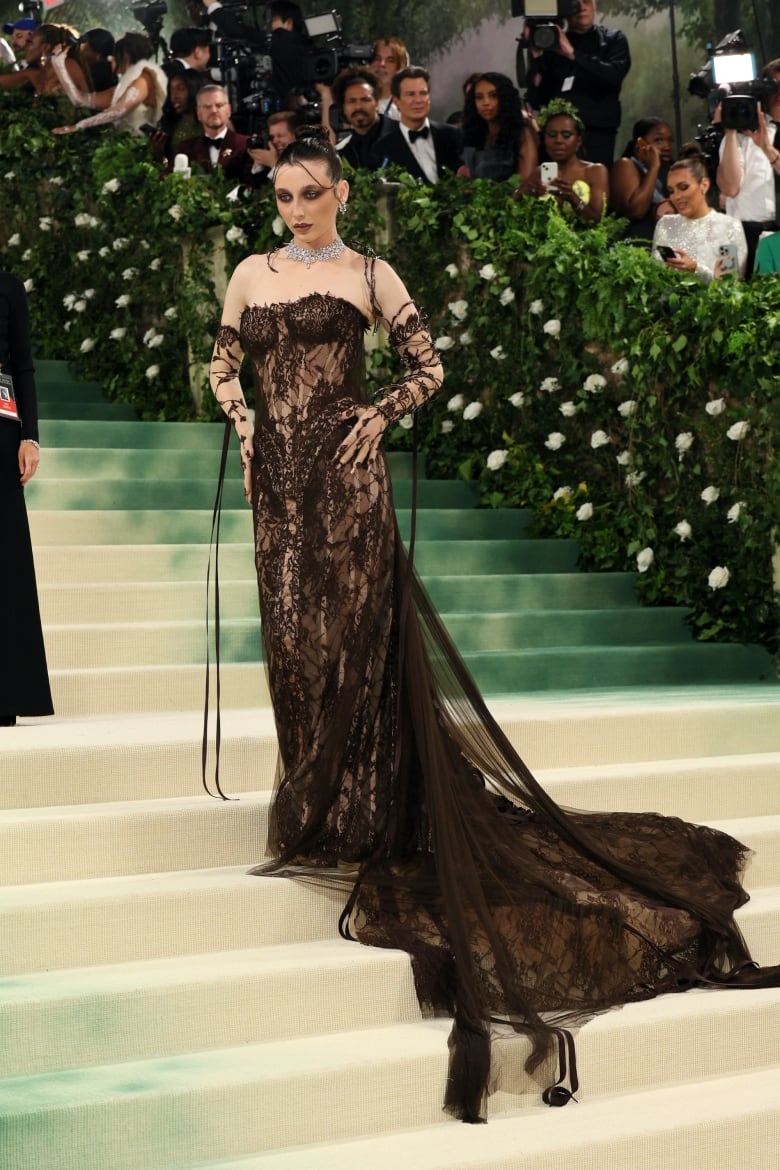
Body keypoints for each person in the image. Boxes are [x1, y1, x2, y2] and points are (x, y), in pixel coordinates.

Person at [207, 124, 780, 1125]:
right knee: (292, 649)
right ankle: (316, 800)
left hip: (347, 488)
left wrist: (379, 414)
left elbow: (430, 368)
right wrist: (245, 423)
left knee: (354, 645)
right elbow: (222, 369)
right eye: (283, 194)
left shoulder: (370, 274)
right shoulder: (249, 276)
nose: (295, 209)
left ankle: (365, 813)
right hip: (277, 491)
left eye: (310, 193)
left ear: (339, 193)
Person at [0, 271, 54, 727]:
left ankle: (7, 693)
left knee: (5, 559)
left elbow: (23, 365)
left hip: (1, 435)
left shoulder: (8, 285)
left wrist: (31, 437)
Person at [524, 0, 630, 168]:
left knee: (594, 189)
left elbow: (613, 76)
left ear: (595, 4)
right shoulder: (551, 43)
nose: (581, 7)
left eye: (586, 1)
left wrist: (573, 54)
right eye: (574, 3)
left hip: (597, 133)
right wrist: (536, 57)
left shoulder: (613, 39)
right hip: (555, 138)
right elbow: (537, 99)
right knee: (551, 189)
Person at [716, 59, 780, 276]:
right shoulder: (742, 135)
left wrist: (767, 148)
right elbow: (730, 188)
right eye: (774, 86)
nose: (779, 92)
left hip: (777, 238)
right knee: (731, 299)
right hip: (739, 233)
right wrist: (730, 128)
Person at [51, 31, 167, 135]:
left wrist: (77, 126)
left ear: (125, 56)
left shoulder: (144, 79)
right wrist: (59, 64)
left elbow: (117, 112)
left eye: (114, 56)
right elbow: (80, 100)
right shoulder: (120, 88)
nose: (111, 60)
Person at [653, 156, 747, 281]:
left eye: (683, 187)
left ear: (704, 185)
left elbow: (730, 284)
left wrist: (696, 269)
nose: (676, 197)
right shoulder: (665, 224)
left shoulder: (729, 226)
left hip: (712, 300)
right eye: (671, 191)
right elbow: (654, 275)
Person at [515, 98, 608, 222]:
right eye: (552, 135)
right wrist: (522, 193)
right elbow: (514, 206)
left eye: (566, 135)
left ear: (578, 140)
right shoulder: (543, 171)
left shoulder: (595, 171)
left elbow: (598, 220)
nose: (558, 141)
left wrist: (574, 199)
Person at [369, 66, 462, 184]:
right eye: (410, 94)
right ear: (396, 101)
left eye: (423, 93)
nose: (418, 100)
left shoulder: (453, 136)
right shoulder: (382, 149)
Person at [459, 71, 538, 182]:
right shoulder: (474, 133)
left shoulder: (521, 132)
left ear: (505, 98)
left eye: (493, 96)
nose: (485, 102)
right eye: (479, 97)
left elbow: (526, 182)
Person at [611, 117, 675, 240]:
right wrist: (654, 167)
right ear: (640, 144)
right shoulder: (625, 165)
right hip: (632, 248)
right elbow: (636, 211)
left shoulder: (666, 173)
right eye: (659, 140)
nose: (667, 147)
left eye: (670, 141)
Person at [175, 83, 253, 182]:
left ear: (228, 110)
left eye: (219, 105)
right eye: (207, 106)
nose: (214, 110)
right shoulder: (185, 148)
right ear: (199, 113)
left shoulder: (245, 144)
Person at [0, 22, 87, 96]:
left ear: (45, 47)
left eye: (30, 42)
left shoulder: (68, 66)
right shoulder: (34, 73)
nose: (26, 47)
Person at [369, 37, 407, 121]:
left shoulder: (403, 109)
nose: (382, 64)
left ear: (399, 67)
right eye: (377, 58)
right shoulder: (355, 101)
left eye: (390, 60)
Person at [75, 28, 117, 93]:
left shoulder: (98, 74)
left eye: (86, 50)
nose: (81, 53)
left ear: (98, 56)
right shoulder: (109, 71)